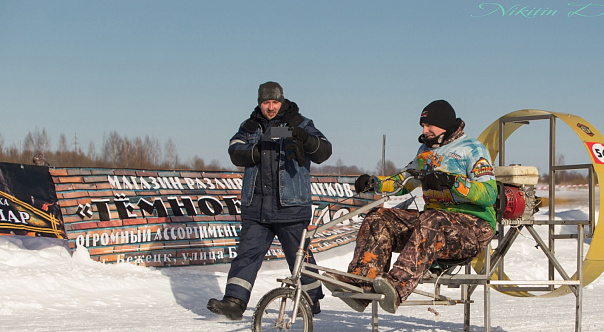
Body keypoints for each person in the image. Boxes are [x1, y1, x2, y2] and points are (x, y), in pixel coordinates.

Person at [326, 100, 497, 313]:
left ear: (444, 124)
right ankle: (362, 284)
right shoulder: (425, 151)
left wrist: (452, 182)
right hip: (435, 224)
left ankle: (396, 287)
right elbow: (405, 181)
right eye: (422, 127)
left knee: (432, 220)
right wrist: (375, 183)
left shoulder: (472, 149)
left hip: (474, 227)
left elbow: (489, 194)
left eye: (429, 126)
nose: (424, 131)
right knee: (379, 218)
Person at [207, 81, 332, 319]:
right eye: (266, 102)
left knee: (299, 258)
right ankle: (234, 302)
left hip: (291, 207)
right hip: (257, 208)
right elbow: (235, 150)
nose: (271, 107)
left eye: (275, 102)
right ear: (259, 103)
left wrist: (305, 139)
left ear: (282, 101)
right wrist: (256, 150)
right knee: (247, 255)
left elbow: (324, 151)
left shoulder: (301, 123)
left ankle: (311, 300)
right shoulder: (249, 126)